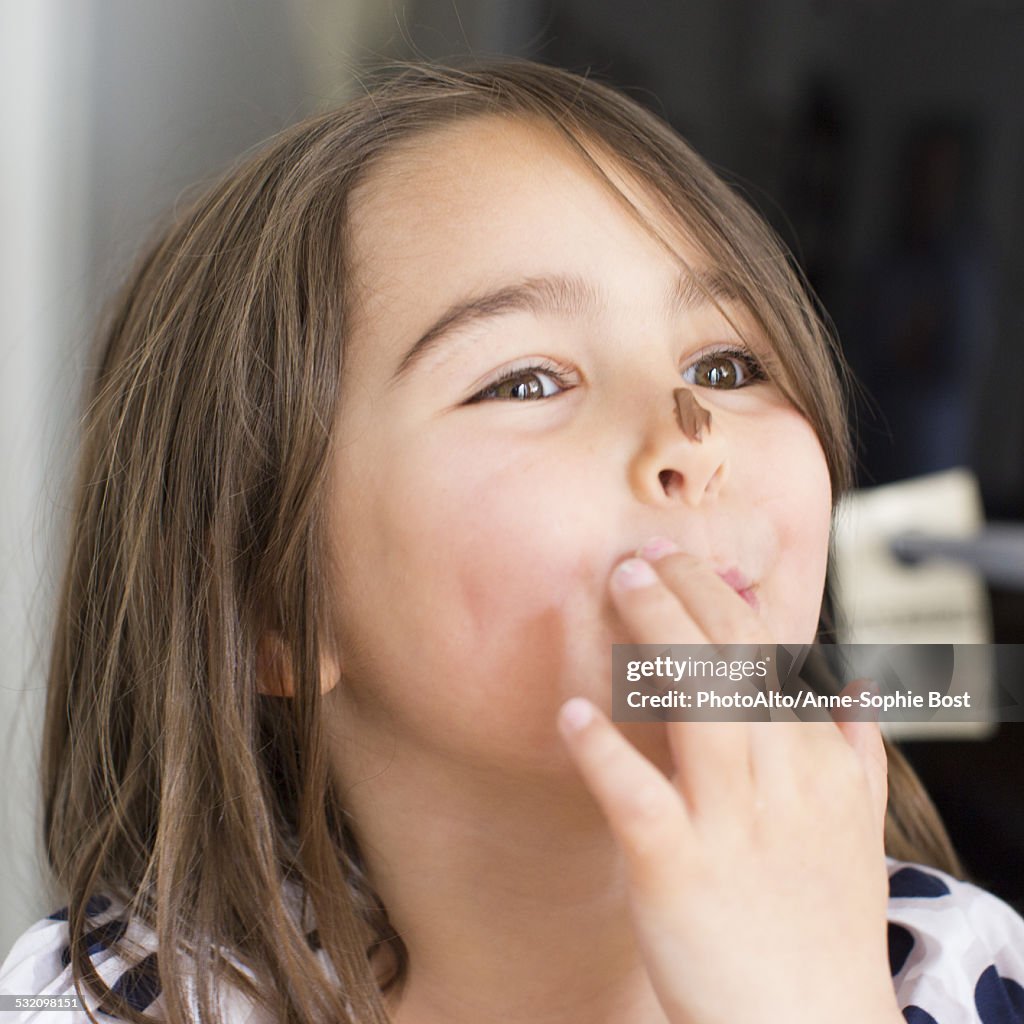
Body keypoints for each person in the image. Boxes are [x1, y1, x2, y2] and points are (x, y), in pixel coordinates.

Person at [1, 57, 1022, 1024]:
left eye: (726, 362)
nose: (689, 438)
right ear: (275, 606)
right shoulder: (112, 997)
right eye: (527, 380)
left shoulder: (963, 966)